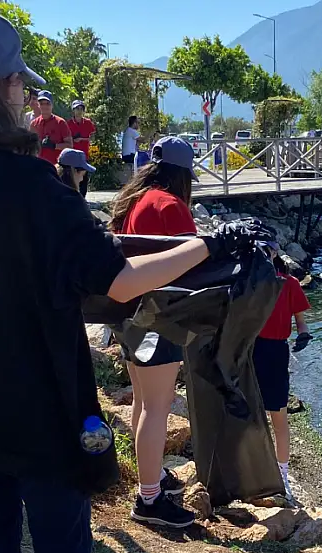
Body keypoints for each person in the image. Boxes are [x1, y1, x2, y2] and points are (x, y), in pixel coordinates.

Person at [0, 11, 265, 553]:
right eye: (21, 86)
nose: (29, 98)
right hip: (44, 413)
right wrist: (212, 246)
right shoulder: (32, 186)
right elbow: (118, 278)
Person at [108, 136, 204, 528]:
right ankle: (149, 499)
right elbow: (191, 263)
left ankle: (152, 474)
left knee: (142, 402)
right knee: (157, 406)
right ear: (183, 174)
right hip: (158, 318)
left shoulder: (135, 200)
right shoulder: (170, 205)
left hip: (129, 314)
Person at [252, 248, 313, 501]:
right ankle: (253, 470)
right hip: (251, 349)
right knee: (253, 416)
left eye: (266, 252)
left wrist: (303, 335)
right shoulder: (249, 281)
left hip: (277, 352)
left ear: (274, 254)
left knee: (278, 416)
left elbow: (300, 321)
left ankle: (283, 475)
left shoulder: (289, 284)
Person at [30, 89, 71, 165]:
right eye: (42, 103)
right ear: (38, 105)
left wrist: (54, 145)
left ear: (52, 105)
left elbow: (69, 145)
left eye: (47, 103)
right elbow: (30, 148)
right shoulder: (34, 124)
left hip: (56, 167)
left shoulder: (60, 122)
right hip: (39, 166)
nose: (44, 106)